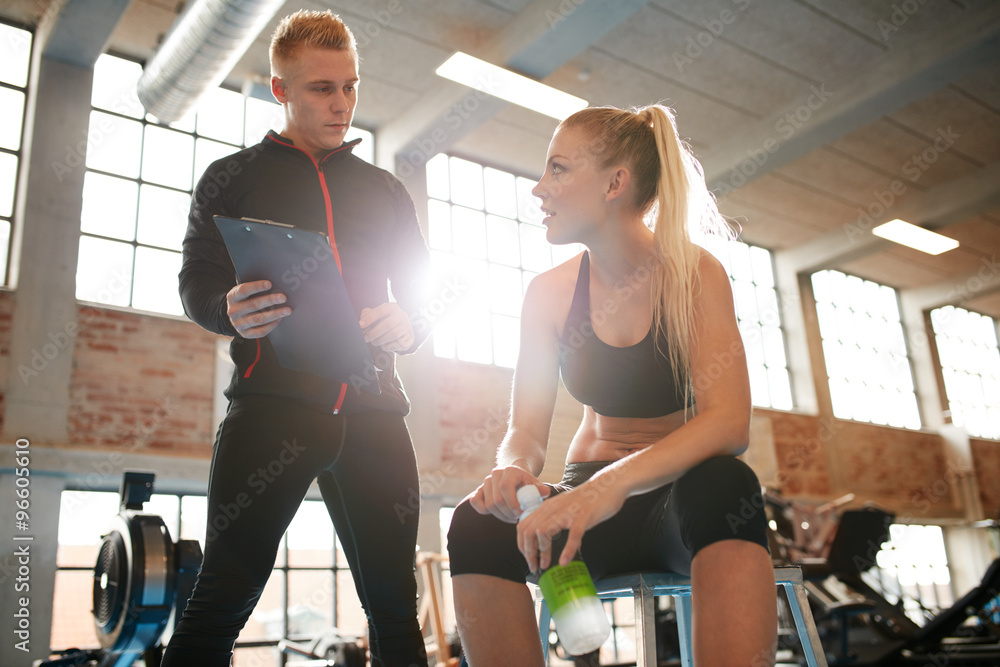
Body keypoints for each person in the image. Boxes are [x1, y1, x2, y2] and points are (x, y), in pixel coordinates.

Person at [447, 104, 777, 666]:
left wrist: (609, 490)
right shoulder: (548, 295)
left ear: (614, 184)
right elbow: (525, 430)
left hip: (679, 502)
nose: (537, 189)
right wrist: (512, 468)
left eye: (557, 169)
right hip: (584, 507)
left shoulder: (696, 274)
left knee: (728, 484)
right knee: (475, 522)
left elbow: (728, 423)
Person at [162, 10, 431, 667]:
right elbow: (196, 280)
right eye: (321, 89)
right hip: (272, 405)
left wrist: (412, 323)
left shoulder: (386, 190)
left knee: (397, 609)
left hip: (373, 410)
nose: (341, 104)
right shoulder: (231, 177)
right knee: (221, 597)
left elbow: (421, 296)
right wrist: (226, 309)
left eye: (350, 86)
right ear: (281, 89)